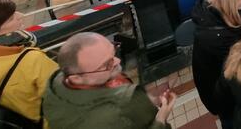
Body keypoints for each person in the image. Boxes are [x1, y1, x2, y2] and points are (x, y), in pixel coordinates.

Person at [42, 32, 175, 129]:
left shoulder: (56, 86)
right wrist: (161, 118)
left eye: (114, 51)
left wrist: (146, 99)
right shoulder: (120, 109)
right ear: (76, 77)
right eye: (107, 64)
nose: (118, 61)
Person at [192, 0, 241, 124]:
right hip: (225, 98)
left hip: (219, 88)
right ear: (231, 7)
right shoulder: (219, 40)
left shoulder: (212, 12)